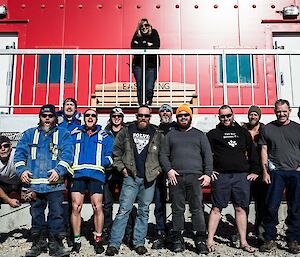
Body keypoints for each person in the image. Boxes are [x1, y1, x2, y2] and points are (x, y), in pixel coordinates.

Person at [14, 104, 73, 257]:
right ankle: (38, 244)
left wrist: (59, 170)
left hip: (55, 185)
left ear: (55, 117)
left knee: (56, 215)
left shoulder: (64, 134)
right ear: (39, 117)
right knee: (36, 215)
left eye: (50, 116)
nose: (47, 118)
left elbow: (68, 155)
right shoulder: (29, 134)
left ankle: (56, 246)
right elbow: (19, 154)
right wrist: (22, 170)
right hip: (34, 185)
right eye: (44, 116)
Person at [105, 105, 163, 256]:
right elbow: (116, 151)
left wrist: (159, 170)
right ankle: (114, 244)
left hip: (149, 179)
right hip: (131, 177)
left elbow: (164, 155)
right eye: (140, 115)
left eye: (146, 116)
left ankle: (139, 242)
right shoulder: (126, 131)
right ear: (136, 116)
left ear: (150, 117)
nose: (143, 118)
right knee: (124, 210)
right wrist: (121, 168)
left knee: (144, 211)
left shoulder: (157, 133)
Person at [160, 103, 212, 254]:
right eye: (180, 115)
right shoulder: (171, 134)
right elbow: (163, 155)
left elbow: (207, 155)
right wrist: (169, 170)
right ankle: (177, 238)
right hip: (177, 177)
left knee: (197, 209)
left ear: (190, 116)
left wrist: (207, 174)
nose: (183, 117)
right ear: (177, 117)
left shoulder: (200, 134)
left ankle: (200, 238)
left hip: (196, 177)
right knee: (177, 209)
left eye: (186, 115)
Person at [206, 105, 259, 253]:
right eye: (222, 116)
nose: (226, 118)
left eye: (228, 115)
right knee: (216, 208)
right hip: (221, 176)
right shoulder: (213, 134)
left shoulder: (243, 132)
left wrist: (255, 170)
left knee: (241, 208)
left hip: (241, 176)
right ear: (219, 117)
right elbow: (205, 153)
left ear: (233, 115)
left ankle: (243, 241)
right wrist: (209, 171)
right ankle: (209, 240)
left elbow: (252, 152)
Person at [259, 99, 300, 254]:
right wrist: (265, 172)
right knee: (271, 206)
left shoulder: (298, 128)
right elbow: (263, 150)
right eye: (278, 111)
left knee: (296, 207)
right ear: (274, 111)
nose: (281, 114)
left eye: (284, 111)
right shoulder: (268, 129)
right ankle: (269, 239)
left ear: (289, 110)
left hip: (295, 173)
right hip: (276, 173)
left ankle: (293, 239)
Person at [70, 108, 113, 254]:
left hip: (96, 175)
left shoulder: (105, 135)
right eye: (87, 115)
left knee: (97, 207)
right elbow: (68, 152)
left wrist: (101, 163)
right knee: (76, 207)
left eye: (93, 115)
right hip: (78, 174)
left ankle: (98, 240)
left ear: (96, 118)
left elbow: (110, 155)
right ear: (83, 118)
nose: (90, 117)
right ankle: (76, 240)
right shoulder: (74, 134)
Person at [103, 107, 136, 246]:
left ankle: (127, 233)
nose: (117, 118)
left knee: (126, 204)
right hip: (108, 171)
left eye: (119, 116)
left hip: (124, 171)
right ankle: (107, 231)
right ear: (111, 117)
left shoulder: (127, 133)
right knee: (107, 204)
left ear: (122, 118)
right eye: (114, 116)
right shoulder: (104, 133)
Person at [57, 97, 83, 246]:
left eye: (72, 105)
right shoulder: (58, 121)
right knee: (59, 199)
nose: (69, 107)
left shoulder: (80, 123)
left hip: (74, 166)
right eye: (66, 105)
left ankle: (73, 233)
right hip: (60, 164)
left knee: (74, 201)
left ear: (75, 108)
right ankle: (61, 231)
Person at [151, 104, 176, 249]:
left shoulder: (177, 127)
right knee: (159, 203)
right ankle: (161, 231)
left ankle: (175, 230)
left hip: (175, 169)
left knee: (176, 202)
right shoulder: (155, 129)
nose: (165, 113)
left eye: (168, 111)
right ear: (159, 114)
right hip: (159, 170)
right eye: (163, 111)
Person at [242, 105, 267, 244]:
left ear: (259, 116)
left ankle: (260, 232)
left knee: (261, 204)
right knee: (242, 203)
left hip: (260, 171)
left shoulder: (264, 130)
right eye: (251, 114)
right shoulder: (242, 130)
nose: (253, 117)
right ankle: (242, 232)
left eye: (255, 115)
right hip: (245, 171)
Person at [131, 18, 160, 105]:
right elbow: (133, 46)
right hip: (138, 65)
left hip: (152, 65)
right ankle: (141, 105)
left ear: (149, 26)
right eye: (141, 26)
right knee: (140, 86)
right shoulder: (137, 34)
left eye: (146, 25)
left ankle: (148, 103)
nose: (144, 27)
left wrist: (140, 44)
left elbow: (157, 45)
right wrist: (147, 44)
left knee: (149, 87)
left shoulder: (154, 32)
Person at [0, 136, 21, 208]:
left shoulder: (17, 154)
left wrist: (28, 190)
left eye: (5, 146)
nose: (3, 149)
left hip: (20, 183)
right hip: (3, 185)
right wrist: (9, 200)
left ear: (11, 146)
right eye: (0, 147)